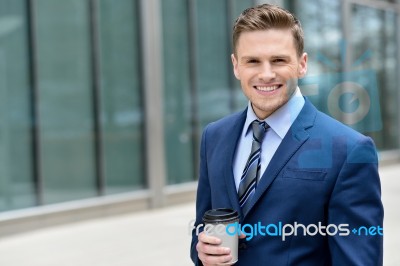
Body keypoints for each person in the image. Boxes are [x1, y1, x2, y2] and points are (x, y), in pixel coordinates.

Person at [190, 4, 383, 266]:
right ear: (236, 66)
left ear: (302, 64)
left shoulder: (349, 150)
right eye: (253, 61)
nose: (266, 74)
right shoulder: (214, 137)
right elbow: (202, 228)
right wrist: (202, 251)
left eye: (278, 60)